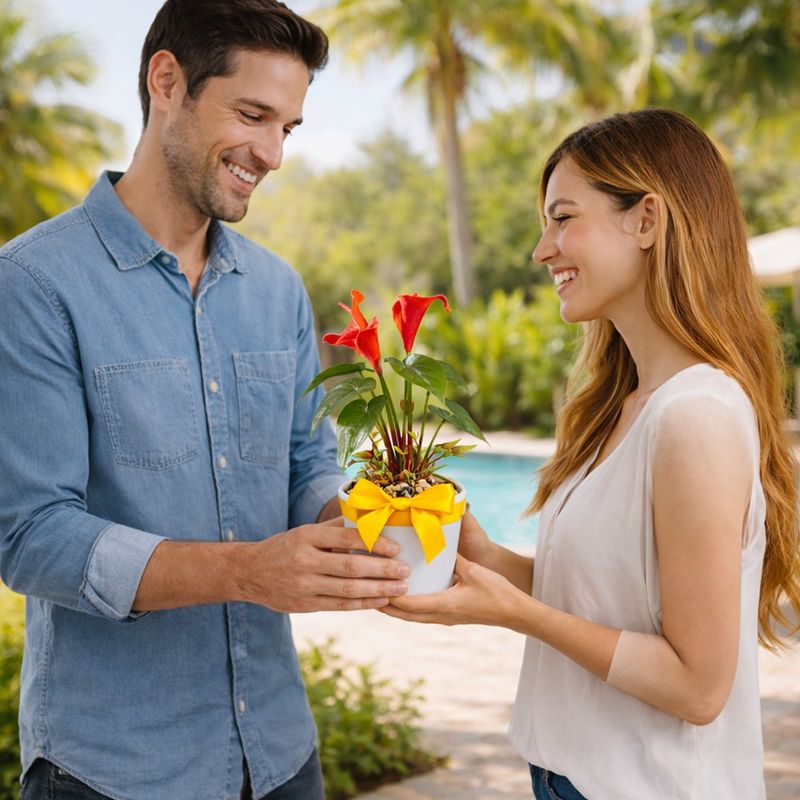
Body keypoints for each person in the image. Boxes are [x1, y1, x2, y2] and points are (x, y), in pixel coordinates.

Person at [0, 2, 410, 799]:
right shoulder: (33, 284)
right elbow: (31, 536)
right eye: (253, 115)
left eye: (287, 127)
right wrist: (248, 572)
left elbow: (306, 466)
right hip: (111, 771)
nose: (273, 153)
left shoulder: (278, 290)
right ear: (167, 82)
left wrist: (362, 527)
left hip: (282, 755)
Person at [382, 108, 800, 799]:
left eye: (563, 218)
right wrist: (490, 563)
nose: (542, 250)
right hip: (570, 777)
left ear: (647, 221)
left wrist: (514, 613)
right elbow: (615, 601)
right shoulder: (627, 405)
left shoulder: (695, 415)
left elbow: (699, 687)